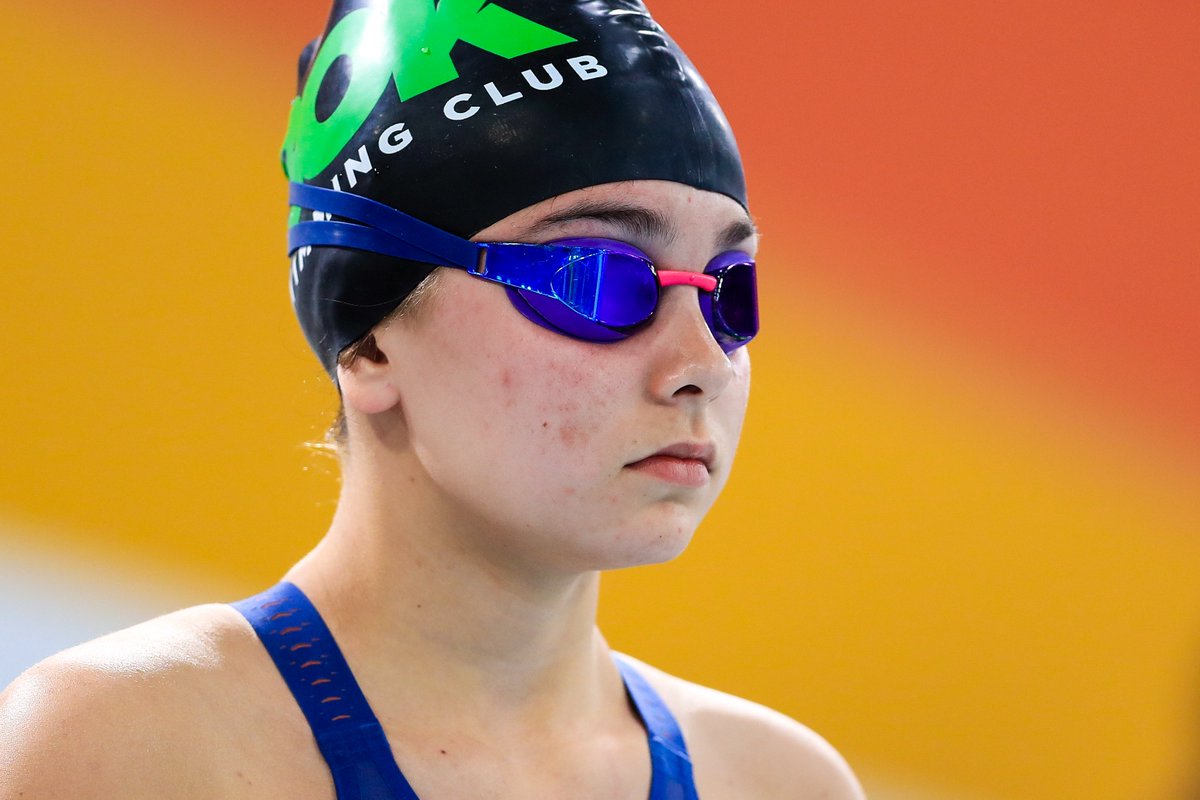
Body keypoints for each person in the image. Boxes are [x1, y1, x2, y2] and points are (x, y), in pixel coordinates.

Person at [0, 1, 865, 797]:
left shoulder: (776, 782)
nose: (702, 363)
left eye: (728, 288)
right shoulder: (128, 751)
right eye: (594, 279)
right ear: (370, 343)